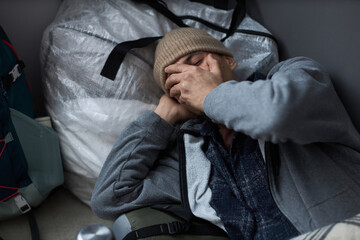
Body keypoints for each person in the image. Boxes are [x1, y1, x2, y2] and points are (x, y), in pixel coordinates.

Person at [91, 28, 360, 239]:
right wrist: (161, 118)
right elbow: (110, 197)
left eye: (196, 63)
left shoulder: (291, 75)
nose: (190, 78)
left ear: (228, 59)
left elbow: (276, 114)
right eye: (176, 81)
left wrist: (211, 95)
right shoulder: (193, 153)